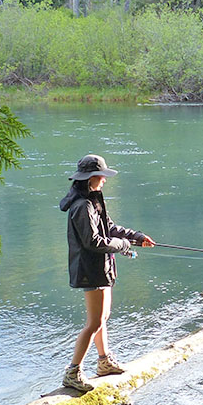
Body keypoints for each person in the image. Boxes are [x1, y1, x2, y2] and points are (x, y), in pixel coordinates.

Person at [58, 154, 155, 392]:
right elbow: (93, 241)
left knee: (103, 317)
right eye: (101, 176)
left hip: (101, 266)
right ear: (90, 178)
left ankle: (104, 363)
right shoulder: (82, 206)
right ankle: (73, 372)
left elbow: (109, 227)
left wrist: (136, 236)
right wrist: (123, 245)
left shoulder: (93, 200)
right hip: (90, 269)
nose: (104, 180)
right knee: (93, 323)